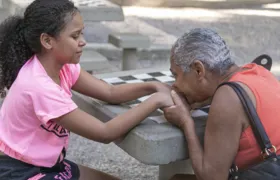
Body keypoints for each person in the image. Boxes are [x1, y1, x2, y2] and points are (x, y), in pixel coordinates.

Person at [0, 0, 174, 179]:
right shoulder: (39, 87)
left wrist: (153, 86)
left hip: (47, 164)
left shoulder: (62, 66)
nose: (83, 42)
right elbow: (104, 133)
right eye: (75, 36)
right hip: (19, 171)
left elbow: (109, 93)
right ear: (47, 41)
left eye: (82, 34)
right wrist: (156, 100)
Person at [163, 28, 280, 180]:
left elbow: (211, 177)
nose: (174, 85)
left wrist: (186, 122)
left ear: (199, 70)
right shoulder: (257, 71)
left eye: (176, 75)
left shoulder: (227, 97)